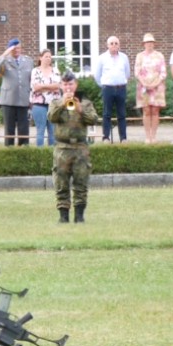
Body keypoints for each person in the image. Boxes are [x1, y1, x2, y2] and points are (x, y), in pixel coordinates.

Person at [47, 71, 100, 223]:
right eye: (65, 84)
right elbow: (51, 117)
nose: (68, 87)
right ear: (61, 86)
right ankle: (63, 216)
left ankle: (79, 216)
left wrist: (79, 109)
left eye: (71, 84)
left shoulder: (85, 103)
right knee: (61, 182)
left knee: (81, 182)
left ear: (75, 85)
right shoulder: (56, 102)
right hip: (62, 148)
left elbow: (94, 119)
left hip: (80, 147)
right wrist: (63, 104)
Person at [0, 38, 32, 146]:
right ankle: (9, 149)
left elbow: (31, 80)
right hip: (8, 99)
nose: (17, 50)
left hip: (23, 98)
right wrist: (4, 55)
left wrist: (31, 98)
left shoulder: (28, 61)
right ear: (9, 50)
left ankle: (23, 148)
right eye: (14, 49)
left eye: (18, 48)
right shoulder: (5, 60)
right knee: (9, 128)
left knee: (23, 127)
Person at [95, 35, 131, 143]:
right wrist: (104, 86)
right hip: (108, 89)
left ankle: (123, 138)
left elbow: (127, 73)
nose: (114, 45)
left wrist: (122, 82)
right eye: (112, 43)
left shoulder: (124, 57)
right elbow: (97, 75)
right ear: (107, 45)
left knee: (122, 114)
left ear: (119, 45)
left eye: (116, 43)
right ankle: (105, 137)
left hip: (121, 88)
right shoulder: (102, 58)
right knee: (107, 114)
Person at [134, 33, 166, 144]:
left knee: (155, 111)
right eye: (147, 42)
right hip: (144, 87)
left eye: (151, 42)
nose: (149, 44)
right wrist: (145, 84)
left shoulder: (160, 55)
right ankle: (147, 137)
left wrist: (155, 84)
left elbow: (163, 72)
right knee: (146, 111)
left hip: (157, 87)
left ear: (154, 44)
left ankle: (154, 136)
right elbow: (137, 72)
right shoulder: (139, 56)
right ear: (144, 44)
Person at [30, 49, 62, 147]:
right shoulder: (35, 71)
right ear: (40, 58)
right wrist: (50, 86)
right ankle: (40, 155)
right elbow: (35, 87)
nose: (48, 58)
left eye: (49, 56)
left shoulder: (55, 70)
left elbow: (57, 86)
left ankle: (52, 154)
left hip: (53, 105)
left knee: (52, 131)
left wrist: (43, 86)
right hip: (39, 105)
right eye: (46, 56)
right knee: (40, 131)